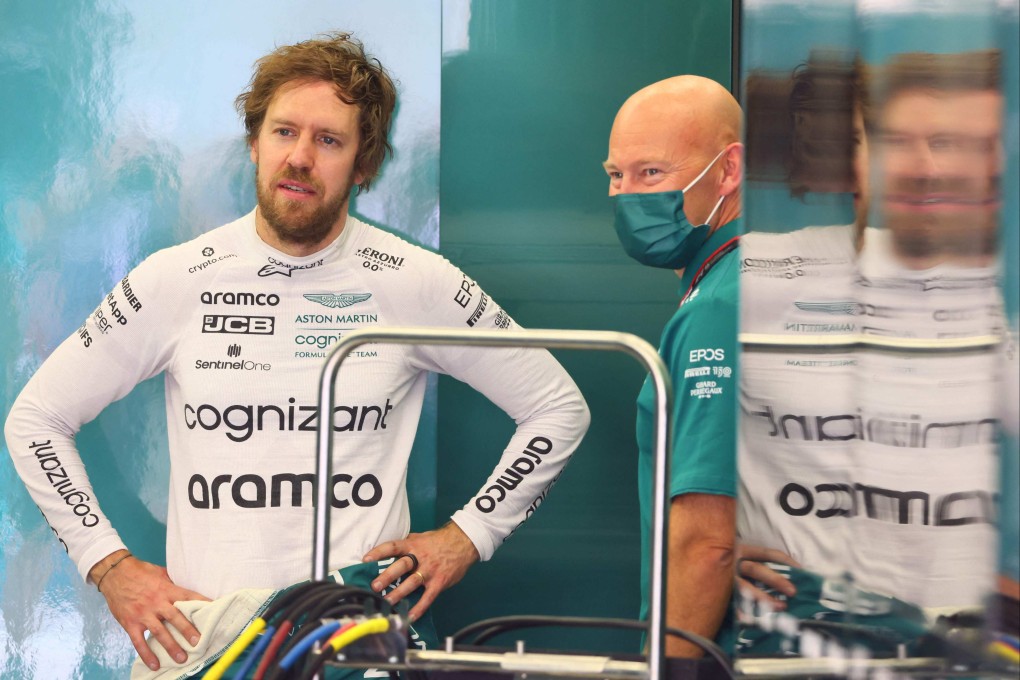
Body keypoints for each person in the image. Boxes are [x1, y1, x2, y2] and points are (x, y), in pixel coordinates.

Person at [4, 32, 590, 676]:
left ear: (364, 165)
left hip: (354, 642)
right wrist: (108, 565)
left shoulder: (415, 280)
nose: (301, 157)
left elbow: (558, 408)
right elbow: (35, 421)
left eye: (329, 140)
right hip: (205, 643)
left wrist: (468, 537)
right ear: (255, 143)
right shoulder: (176, 279)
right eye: (284, 132)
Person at [603, 75, 744, 658]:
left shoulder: (719, 307)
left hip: (726, 650)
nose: (628, 195)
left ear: (728, 169)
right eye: (616, 175)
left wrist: (670, 668)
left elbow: (709, 540)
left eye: (652, 173)